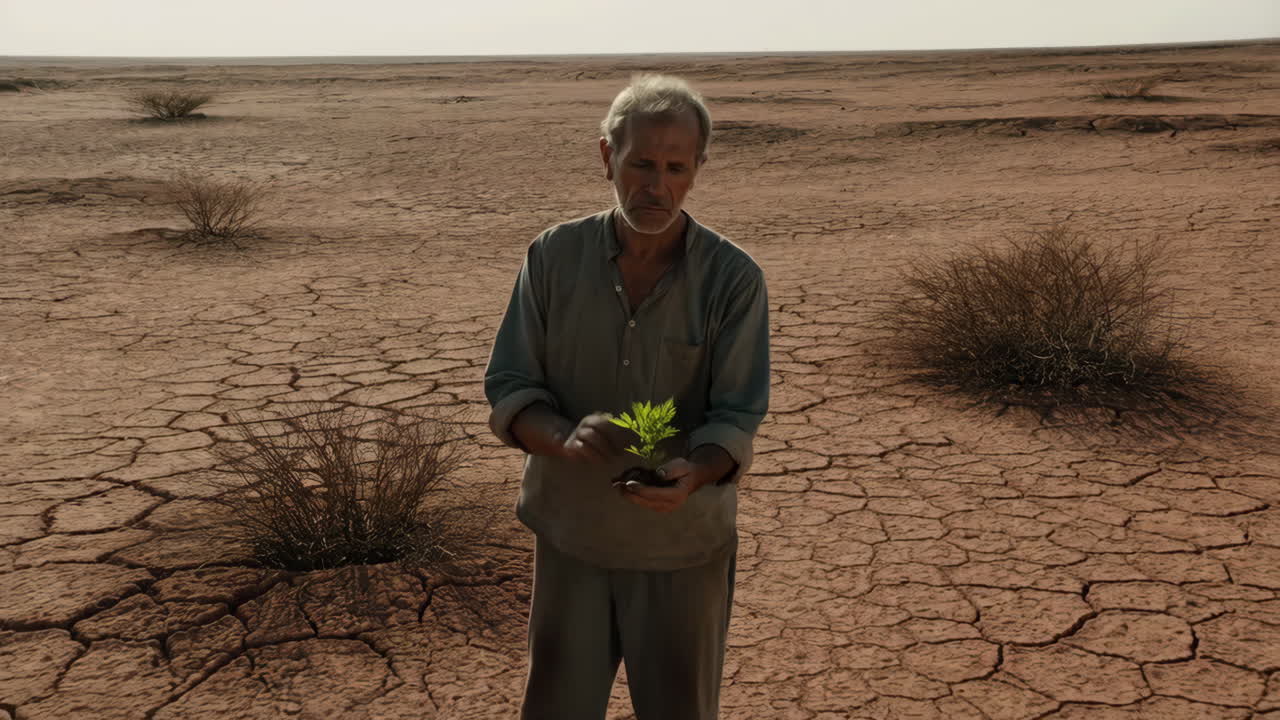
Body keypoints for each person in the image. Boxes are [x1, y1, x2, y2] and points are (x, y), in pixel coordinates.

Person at [483, 73, 771, 720]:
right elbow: (510, 382)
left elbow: (737, 414)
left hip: (681, 550)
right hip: (571, 537)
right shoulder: (554, 256)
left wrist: (692, 475)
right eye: (641, 162)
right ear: (607, 156)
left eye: (676, 166)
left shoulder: (733, 280)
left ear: (697, 170)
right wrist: (559, 436)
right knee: (558, 706)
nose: (656, 184)